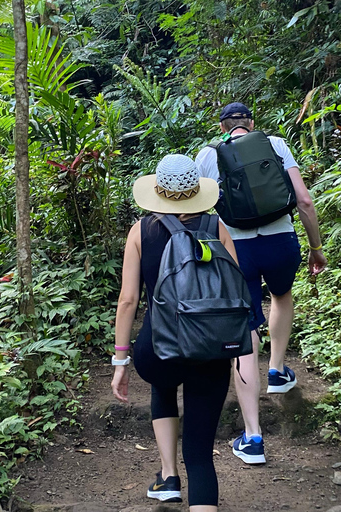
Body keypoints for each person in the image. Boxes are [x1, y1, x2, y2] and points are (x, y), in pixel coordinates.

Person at [195, 102, 327, 465]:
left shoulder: (208, 154)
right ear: (252, 123)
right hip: (281, 241)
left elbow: (195, 210)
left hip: (235, 248)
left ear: (222, 127)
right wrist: (316, 248)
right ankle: (277, 370)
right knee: (281, 296)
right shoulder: (275, 144)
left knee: (245, 329)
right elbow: (304, 200)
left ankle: (253, 438)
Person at [111, 154, 240, 511]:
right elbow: (236, 289)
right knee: (199, 454)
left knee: (163, 380)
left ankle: (168, 477)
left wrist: (120, 361)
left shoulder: (141, 231)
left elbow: (128, 300)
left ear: (158, 191)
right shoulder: (217, 228)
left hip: (158, 350)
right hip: (209, 349)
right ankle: (187, 481)